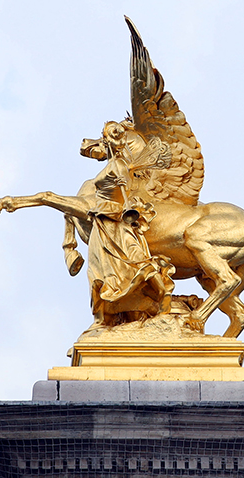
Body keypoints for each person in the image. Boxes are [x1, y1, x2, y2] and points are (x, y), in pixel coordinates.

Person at [86, 121, 174, 327]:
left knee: (129, 261)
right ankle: (159, 292)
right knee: (120, 264)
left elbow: (125, 185)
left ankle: (163, 292)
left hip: (113, 220)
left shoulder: (118, 165)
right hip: (103, 221)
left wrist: (126, 199)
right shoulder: (117, 163)